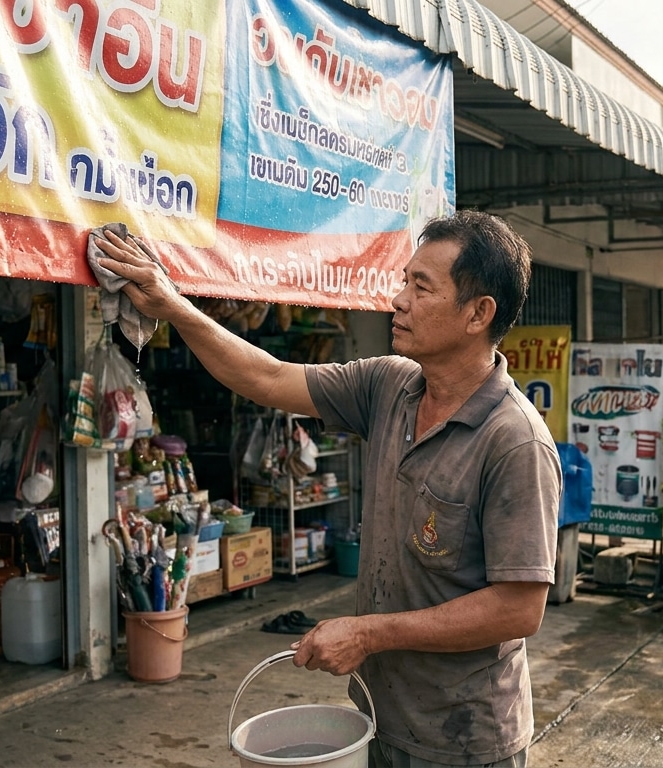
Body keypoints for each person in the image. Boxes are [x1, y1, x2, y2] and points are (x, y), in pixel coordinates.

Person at [96, 211, 561, 768]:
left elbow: (518, 609)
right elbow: (266, 377)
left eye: (421, 286)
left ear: (477, 313)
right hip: (379, 721)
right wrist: (172, 305)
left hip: (465, 739)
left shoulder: (514, 441)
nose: (399, 299)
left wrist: (368, 634)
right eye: (404, 280)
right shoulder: (390, 386)